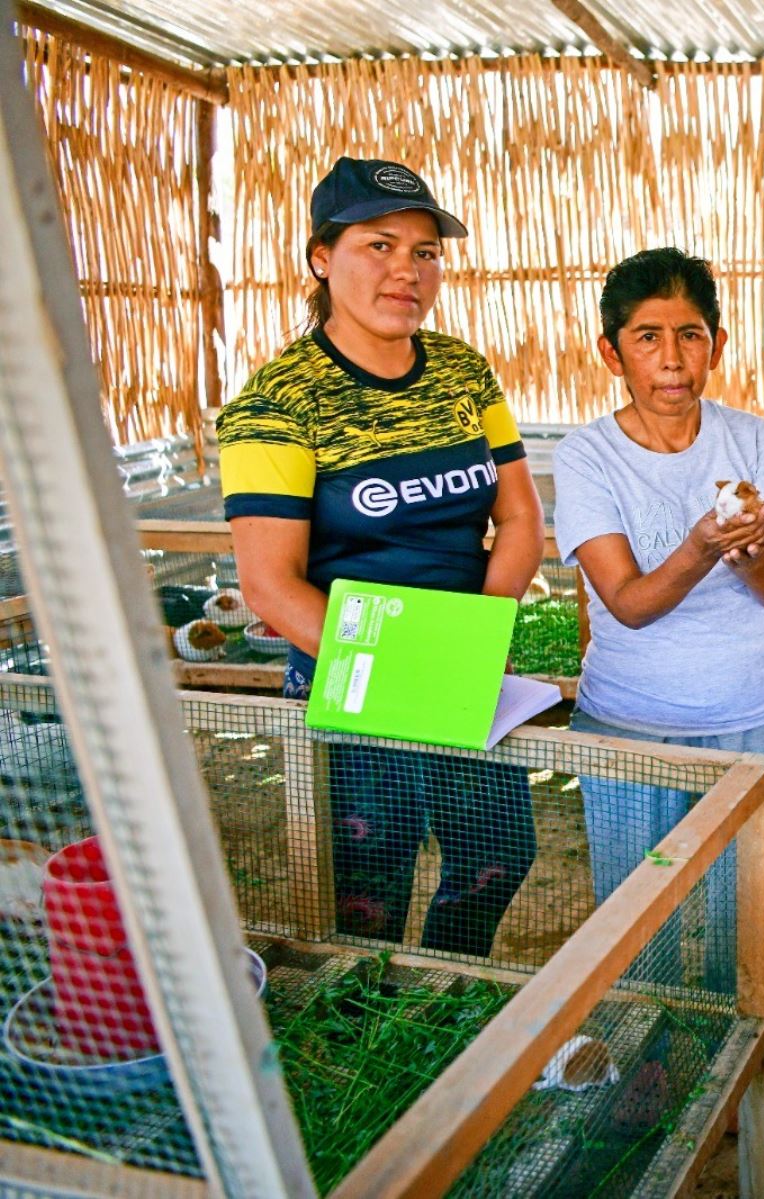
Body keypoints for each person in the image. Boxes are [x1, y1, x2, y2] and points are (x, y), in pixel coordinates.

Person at [221, 157, 544, 957]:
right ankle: (364, 1028)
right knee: (367, 883)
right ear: (322, 257)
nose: (407, 270)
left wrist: (473, 641)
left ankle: (441, 997)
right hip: (350, 671)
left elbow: (521, 516)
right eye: (380, 245)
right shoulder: (277, 402)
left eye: (426, 251)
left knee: (498, 855)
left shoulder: (464, 373)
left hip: (466, 667)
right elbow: (268, 585)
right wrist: (405, 672)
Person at [553, 247, 764, 990]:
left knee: (747, 930)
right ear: (612, 351)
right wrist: (701, 546)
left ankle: (735, 1102)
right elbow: (626, 604)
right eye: (647, 337)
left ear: (717, 346)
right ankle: (647, 1085)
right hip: (633, 722)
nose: (672, 359)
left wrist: (749, 555)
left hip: (755, 717)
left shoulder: (751, 438)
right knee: (636, 933)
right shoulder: (587, 456)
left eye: (691, 335)